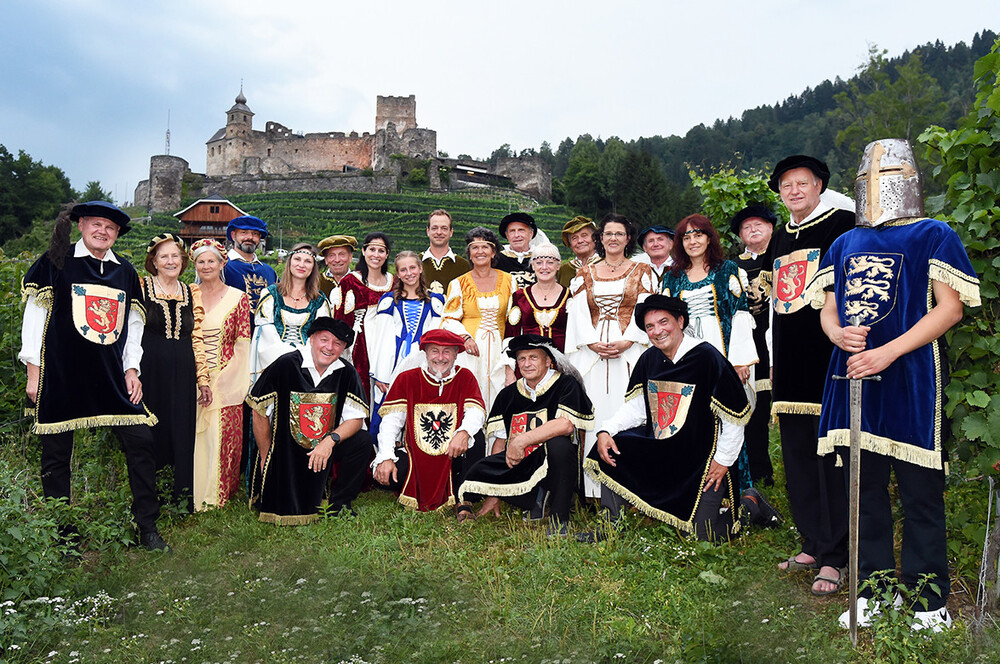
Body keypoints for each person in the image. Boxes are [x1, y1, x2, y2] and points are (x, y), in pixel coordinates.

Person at [807, 139, 981, 632]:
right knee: (862, 490)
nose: (877, 183)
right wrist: (837, 332)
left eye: (889, 171)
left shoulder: (933, 234)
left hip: (910, 379)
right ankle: (875, 592)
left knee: (920, 492)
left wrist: (888, 350)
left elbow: (950, 309)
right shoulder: (845, 243)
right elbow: (827, 308)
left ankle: (928, 600)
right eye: (870, 173)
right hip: (853, 376)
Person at [20, 201, 168, 551]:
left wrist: (132, 369)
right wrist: (33, 370)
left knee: (141, 442)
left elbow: (132, 325)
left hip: (111, 377)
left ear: (117, 234)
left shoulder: (125, 272)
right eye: (96, 224)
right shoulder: (56, 261)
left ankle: (146, 525)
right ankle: (61, 532)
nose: (102, 232)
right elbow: (35, 315)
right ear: (82, 224)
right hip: (61, 372)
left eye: (110, 228)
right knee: (56, 454)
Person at [585, 296, 758, 542]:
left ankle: (752, 504)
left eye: (663, 322)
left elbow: (733, 418)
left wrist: (723, 460)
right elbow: (637, 410)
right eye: (650, 327)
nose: (657, 331)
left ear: (680, 320)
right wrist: (606, 431)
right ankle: (611, 526)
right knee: (614, 445)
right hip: (663, 451)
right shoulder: (649, 359)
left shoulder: (708, 358)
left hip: (701, 461)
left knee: (704, 537)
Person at [767, 154, 855, 595]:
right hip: (789, 363)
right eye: (787, 186)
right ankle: (811, 542)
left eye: (803, 183)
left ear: (819, 186)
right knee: (797, 457)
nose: (795, 191)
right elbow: (775, 304)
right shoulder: (781, 235)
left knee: (831, 460)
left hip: (828, 360)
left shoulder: (843, 224)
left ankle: (837, 555)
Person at [459, 334, 594, 534]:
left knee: (559, 444)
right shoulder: (508, 394)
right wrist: (494, 490)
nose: (527, 364)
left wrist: (521, 441)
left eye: (533, 357)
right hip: (521, 466)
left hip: (556, 469)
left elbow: (566, 425)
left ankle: (559, 518)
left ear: (548, 361)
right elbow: (501, 440)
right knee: (479, 468)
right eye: (522, 359)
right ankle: (536, 498)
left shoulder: (566, 384)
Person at [662, 214, 758, 491]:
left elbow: (740, 315)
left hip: (722, 353)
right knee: (692, 417)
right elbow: (665, 322)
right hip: (687, 355)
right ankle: (692, 487)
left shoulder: (727, 270)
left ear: (709, 238)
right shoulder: (673, 276)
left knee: (728, 418)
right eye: (686, 236)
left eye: (698, 234)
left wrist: (739, 361)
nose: (693, 241)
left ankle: (735, 489)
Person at [247, 317, 371, 524]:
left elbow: (356, 419)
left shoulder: (346, 372)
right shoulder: (285, 364)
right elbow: (259, 411)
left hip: (325, 446)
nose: (330, 347)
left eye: (337, 344)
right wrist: (265, 455)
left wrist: (329, 441)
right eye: (324, 340)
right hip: (286, 450)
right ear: (312, 339)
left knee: (363, 441)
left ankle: (339, 504)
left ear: (343, 349)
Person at [565, 213, 654, 499]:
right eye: (607, 233)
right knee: (594, 411)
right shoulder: (584, 274)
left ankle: (632, 489)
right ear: (599, 239)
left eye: (619, 233)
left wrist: (630, 340)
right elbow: (578, 314)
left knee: (628, 411)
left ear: (628, 238)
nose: (613, 238)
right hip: (593, 354)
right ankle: (592, 490)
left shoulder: (643, 271)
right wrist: (591, 343)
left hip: (628, 349)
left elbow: (649, 309)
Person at [373, 329, 486, 514]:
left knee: (477, 438)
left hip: (452, 455)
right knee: (387, 477)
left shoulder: (465, 377)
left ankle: (464, 500)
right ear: (425, 352)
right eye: (435, 350)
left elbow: (476, 412)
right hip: (415, 457)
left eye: (447, 351)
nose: (440, 357)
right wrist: (385, 456)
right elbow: (391, 422)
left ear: (456, 354)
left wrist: (463, 432)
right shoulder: (407, 379)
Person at [140, 233, 211, 513]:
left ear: (183, 261)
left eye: (176, 256)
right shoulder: (142, 287)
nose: (171, 261)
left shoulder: (191, 291)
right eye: (164, 257)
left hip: (183, 370)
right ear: (154, 262)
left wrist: (202, 379)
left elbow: (197, 337)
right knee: (150, 429)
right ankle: (149, 496)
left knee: (182, 429)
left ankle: (181, 497)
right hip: (150, 370)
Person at [190, 239, 252, 510]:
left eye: (211, 261)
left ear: (222, 263)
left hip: (225, 376)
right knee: (193, 437)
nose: (206, 266)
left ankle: (216, 496)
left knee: (219, 435)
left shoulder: (238, 297)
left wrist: (222, 380)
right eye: (200, 262)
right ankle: (191, 493)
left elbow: (242, 342)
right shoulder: (188, 294)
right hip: (190, 375)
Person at [369, 251, 445, 438]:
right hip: (395, 359)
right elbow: (382, 338)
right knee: (390, 410)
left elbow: (437, 334)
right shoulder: (389, 301)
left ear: (420, 269)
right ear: (398, 273)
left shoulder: (435, 300)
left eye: (412, 267)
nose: (409, 273)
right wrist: (381, 374)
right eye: (403, 269)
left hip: (423, 358)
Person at [441, 227, 515, 413]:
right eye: (475, 247)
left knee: (500, 395)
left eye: (485, 246)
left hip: (500, 348)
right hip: (471, 351)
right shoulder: (458, 283)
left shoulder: (509, 280)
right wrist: (465, 338)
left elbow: (515, 319)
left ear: (494, 251)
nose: (480, 251)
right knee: (470, 398)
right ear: (469, 253)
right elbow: (448, 318)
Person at [730, 204, 777, 486]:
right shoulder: (734, 266)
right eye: (747, 227)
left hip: (781, 338)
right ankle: (759, 470)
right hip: (751, 342)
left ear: (771, 228)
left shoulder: (783, 258)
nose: (753, 230)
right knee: (754, 409)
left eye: (759, 224)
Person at [251, 243, 332, 383]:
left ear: (313, 267)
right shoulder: (271, 294)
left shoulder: (320, 301)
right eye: (297, 259)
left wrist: (303, 357)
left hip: (308, 366)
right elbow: (265, 332)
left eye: (308, 261)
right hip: (273, 364)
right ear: (289, 263)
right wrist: (287, 356)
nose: (302, 264)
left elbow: (322, 336)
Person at [331, 232, 398, 398]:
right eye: (372, 249)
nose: (376, 255)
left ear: (387, 254)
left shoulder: (395, 283)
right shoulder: (350, 282)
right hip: (361, 344)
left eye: (381, 251)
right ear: (363, 251)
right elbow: (341, 320)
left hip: (389, 343)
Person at [505, 242, 570, 352]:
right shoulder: (520, 297)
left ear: (558, 265)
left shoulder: (570, 296)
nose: (544, 267)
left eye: (550, 262)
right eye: (539, 263)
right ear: (533, 265)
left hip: (563, 362)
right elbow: (511, 333)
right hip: (528, 364)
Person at [223, 215, 277, 313]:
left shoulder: (269, 271)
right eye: (244, 232)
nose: (250, 237)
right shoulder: (222, 267)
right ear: (233, 235)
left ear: (259, 238)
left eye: (255, 234)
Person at [422, 209, 470, 295]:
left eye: (444, 228)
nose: (439, 232)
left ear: (451, 232)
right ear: (428, 231)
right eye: (434, 228)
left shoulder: (464, 266)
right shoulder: (415, 264)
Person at [495, 212, 538, 290]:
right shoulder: (496, 260)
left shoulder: (540, 258)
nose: (516, 235)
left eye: (521, 230)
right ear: (507, 235)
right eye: (512, 231)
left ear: (531, 234)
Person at [557, 216, 601, 288]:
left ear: (594, 239)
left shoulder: (606, 264)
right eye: (574, 238)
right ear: (570, 244)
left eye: (584, 236)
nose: (580, 241)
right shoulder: (564, 270)